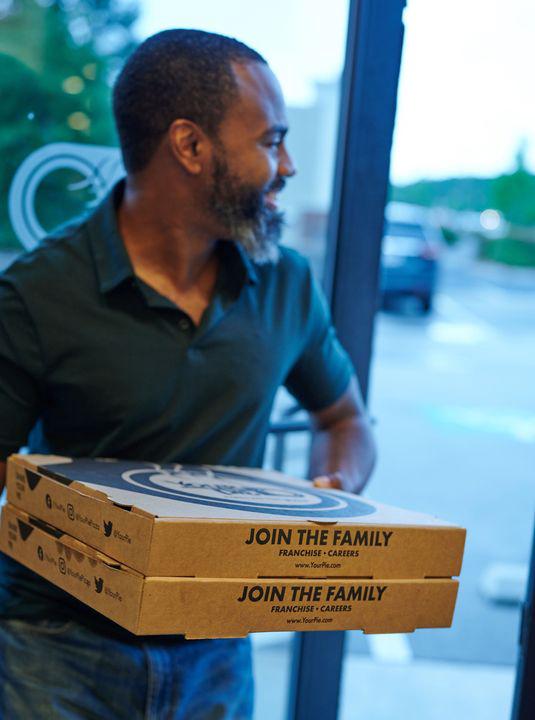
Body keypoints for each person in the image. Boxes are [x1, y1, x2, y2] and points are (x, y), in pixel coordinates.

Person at [0, 29, 376, 719]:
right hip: (56, 648)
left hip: (217, 648)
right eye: (270, 141)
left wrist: (331, 493)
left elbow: (344, 419)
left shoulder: (287, 283)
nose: (288, 165)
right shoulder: (36, 293)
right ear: (190, 146)